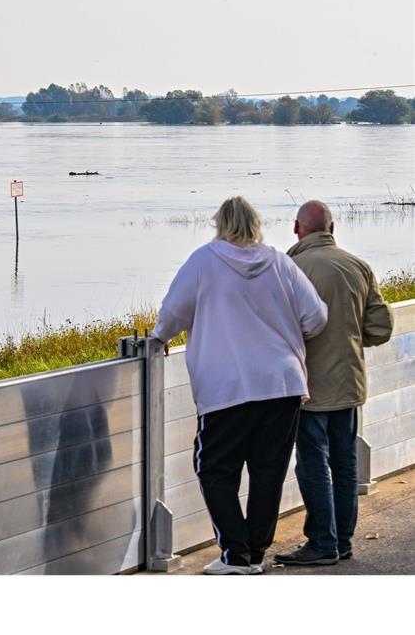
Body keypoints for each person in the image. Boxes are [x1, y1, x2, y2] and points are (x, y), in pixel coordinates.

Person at [151, 196, 328, 575]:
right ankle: (255, 553)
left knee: (214, 469)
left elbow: (173, 312)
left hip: (227, 387)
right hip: (281, 384)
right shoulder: (281, 262)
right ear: (256, 223)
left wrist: (160, 338)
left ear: (220, 223)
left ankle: (235, 554)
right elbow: (316, 317)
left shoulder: (204, 261)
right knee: (268, 471)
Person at [273, 200, 393, 566]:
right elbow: (381, 328)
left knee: (312, 465)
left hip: (307, 389)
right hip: (349, 384)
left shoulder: (289, 268)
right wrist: (350, 339)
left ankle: (322, 543)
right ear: (333, 227)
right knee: (344, 464)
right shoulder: (358, 267)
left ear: (297, 229)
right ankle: (342, 541)